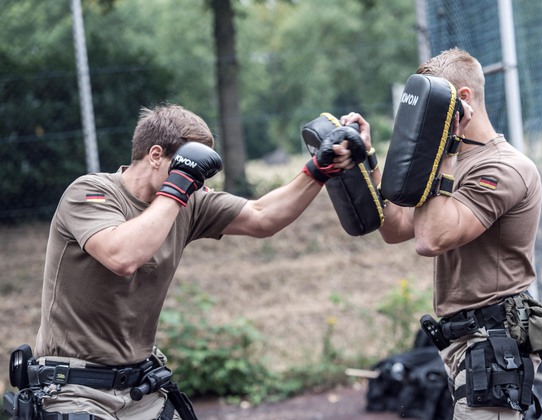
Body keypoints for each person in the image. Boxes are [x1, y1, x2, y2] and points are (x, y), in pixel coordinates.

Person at [14, 104, 365, 419]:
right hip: (74, 389)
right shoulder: (90, 192)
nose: (198, 182)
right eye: (190, 167)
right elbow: (122, 256)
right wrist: (178, 186)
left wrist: (320, 169)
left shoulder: (187, 198)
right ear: (155, 155)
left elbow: (262, 216)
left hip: (139, 388)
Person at [341, 48, 542, 420]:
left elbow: (430, 240)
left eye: (433, 107)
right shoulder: (450, 163)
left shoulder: (503, 168)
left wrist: (446, 153)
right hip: (461, 344)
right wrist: (367, 158)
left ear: (461, 101)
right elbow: (397, 228)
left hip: (492, 345)